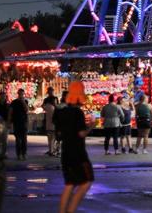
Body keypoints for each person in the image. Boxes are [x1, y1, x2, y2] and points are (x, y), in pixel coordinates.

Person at [55, 81, 93, 213]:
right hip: (78, 153)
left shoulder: (62, 112)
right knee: (86, 181)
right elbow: (81, 133)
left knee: (69, 184)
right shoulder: (78, 113)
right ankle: (71, 210)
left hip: (66, 152)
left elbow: (59, 133)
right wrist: (92, 126)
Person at [9, 88, 29, 160]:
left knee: (24, 139)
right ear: (18, 94)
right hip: (16, 122)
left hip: (24, 122)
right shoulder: (14, 102)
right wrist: (9, 121)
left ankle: (24, 153)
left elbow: (27, 110)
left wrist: (23, 102)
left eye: (22, 94)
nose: (21, 95)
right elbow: (10, 112)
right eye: (20, 94)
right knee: (18, 139)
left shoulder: (25, 101)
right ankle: (19, 154)